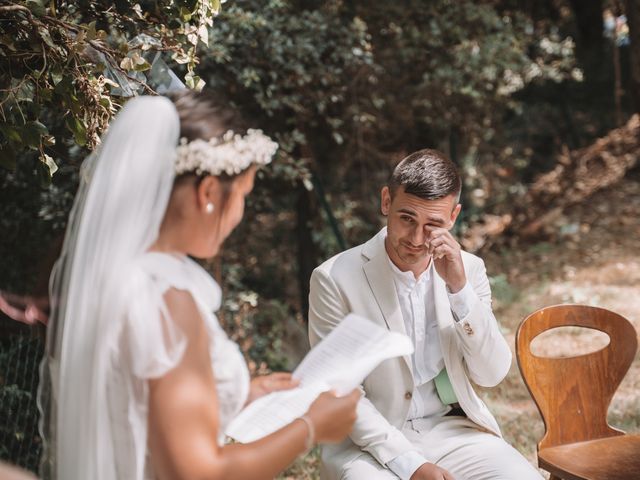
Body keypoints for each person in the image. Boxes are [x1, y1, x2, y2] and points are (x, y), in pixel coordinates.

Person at [39, 91, 360, 480]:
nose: (239, 214)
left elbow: (141, 413)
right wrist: (311, 427)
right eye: (243, 194)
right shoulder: (167, 300)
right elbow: (199, 473)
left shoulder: (117, 279)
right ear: (208, 192)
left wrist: (236, 398)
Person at [308, 150, 542, 480]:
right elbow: (339, 391)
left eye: (432, 224)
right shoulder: (333, 279)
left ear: (454, 216)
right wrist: (411, 464)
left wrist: (459, 291)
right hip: (367, 445)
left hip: (453, 431)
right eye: (407, 219)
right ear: (386, 201)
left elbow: (491, 374)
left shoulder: (469, 270)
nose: (417, 239)